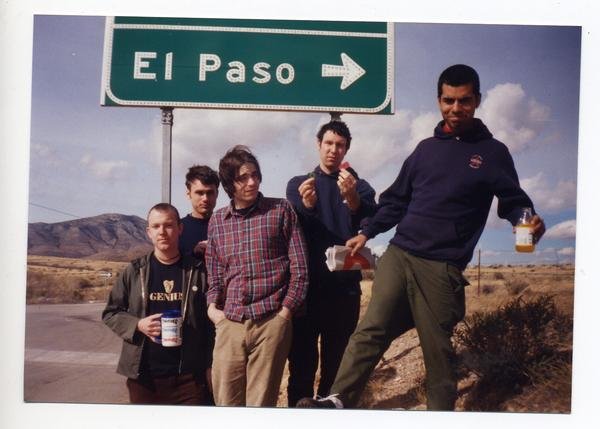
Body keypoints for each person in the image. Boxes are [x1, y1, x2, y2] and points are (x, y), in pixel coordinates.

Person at [297, 64, 546, 411]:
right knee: (370, 330)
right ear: (439, 100)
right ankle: (337, 401)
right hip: (400, 254)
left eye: (464, 101)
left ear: (477, 100)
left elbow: (515, 204)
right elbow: (395, 201)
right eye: (448, 100)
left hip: (441, 267)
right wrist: (366, 232)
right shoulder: (425, 149)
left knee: (438, 353)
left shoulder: (493, 153)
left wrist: (526, 226)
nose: (455, 108)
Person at [205, 145, 309, 407]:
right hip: (230, 322)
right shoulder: (217, 221)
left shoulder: (281, 210)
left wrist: (284, 314)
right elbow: (215, 273)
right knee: (225, 403)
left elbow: (300, 269)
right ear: (229, 184)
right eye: (243, 178)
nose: (252, 182)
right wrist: (213, 310)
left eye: (255, 175)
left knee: (260, 406)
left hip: (270, 321)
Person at [285, 120, 377, 406]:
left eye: (340, 145)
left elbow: (370, 221)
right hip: (307, 291)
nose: (333, 150)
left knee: (336, 366)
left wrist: (352, 199)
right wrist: (308, 206)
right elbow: (296, 226)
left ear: (346, 149)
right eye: (328, 143)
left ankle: (330, 417)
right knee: (301, 364)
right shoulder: (298, 185)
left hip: (344, 291)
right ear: (318, 144)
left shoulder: (360, 187)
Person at [102, 203, 214, 405]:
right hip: (144, 378)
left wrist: (209, 365)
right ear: (148, 232)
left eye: (168, 225)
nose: (162, 231)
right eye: (156, 226)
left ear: (180, 229)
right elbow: (111, 313)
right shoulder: (135, 271)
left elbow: (210, 325)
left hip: (189, 378)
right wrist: (137, 325)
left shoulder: (197, 271)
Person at [179, 165, 219, 258]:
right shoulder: (178, 229)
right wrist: (193, 254)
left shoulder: (227, 227)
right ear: (189, 194)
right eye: (199, 193)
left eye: (210, 193)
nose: (205, 199)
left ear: (217, 194)